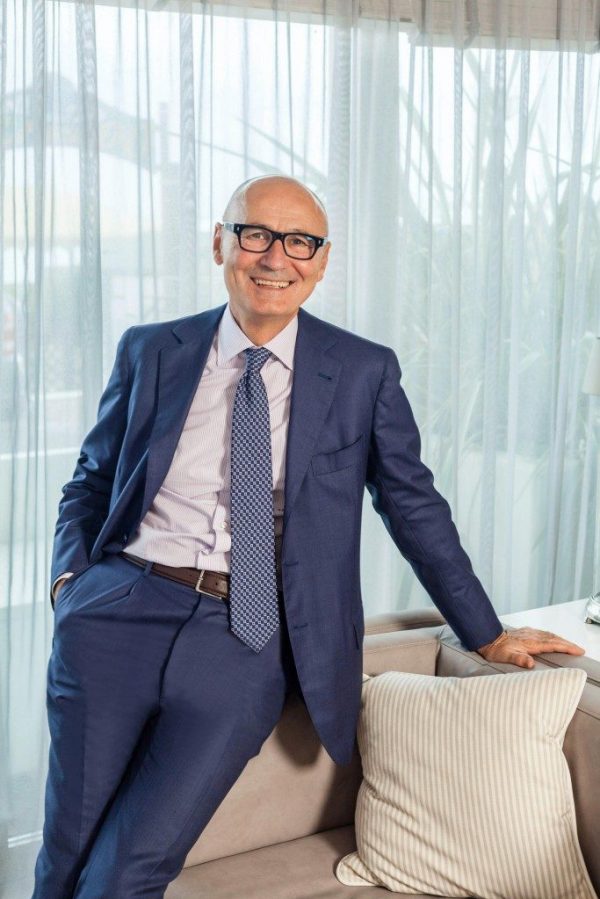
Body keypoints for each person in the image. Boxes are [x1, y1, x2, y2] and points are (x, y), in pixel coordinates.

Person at [33, 175, 585, 899]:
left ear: (321, 262)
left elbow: (413, 506)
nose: (275, 257)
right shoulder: (151, 349)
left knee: (131, 866)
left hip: (242, 636)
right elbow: (92, 479)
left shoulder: (362, 370)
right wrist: (70, 586)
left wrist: (484, 632)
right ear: (220, 243)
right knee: (65, 852)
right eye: (255, 234)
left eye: (300, 242)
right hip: (118, 614)